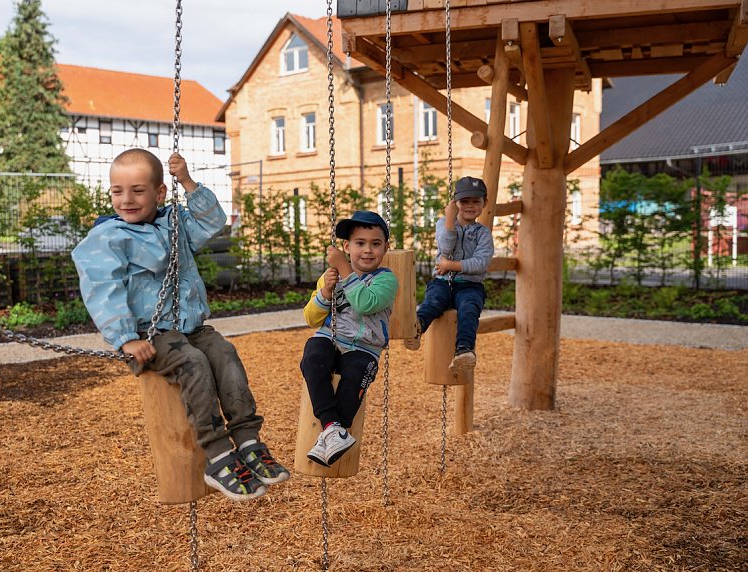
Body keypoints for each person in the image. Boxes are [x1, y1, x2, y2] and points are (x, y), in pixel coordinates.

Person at [71, 148, 289, 502]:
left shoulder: (175, 223)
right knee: (195, 364)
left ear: (159, 193)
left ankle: (249, 441)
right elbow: (102, 288)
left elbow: (212, 222)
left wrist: (187, 181)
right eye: (117, 191)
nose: (126, 199)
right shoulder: (107, 239)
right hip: (149, 334)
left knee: (225, 354)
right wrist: (125, 339)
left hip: (191, 326)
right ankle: (217, 455)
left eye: (138, 190)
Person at [300, 211, 398, 466]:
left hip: (365, 348)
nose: (367, 250)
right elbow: (310, 318)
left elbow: (366, 304)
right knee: (313, 355)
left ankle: (335, 430)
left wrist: (344, 268)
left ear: (385, 248)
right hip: (331, 338)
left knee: (356, 372)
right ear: (347, 246)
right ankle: (333, 428)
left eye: (375, 244)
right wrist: (325, 292)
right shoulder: (330, 276)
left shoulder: (386, 280)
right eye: (360, 243)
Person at [404, 176, 495, 379]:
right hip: (443, 282)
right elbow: (445, 248)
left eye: (476, 201)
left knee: (469, 310)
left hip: (470, 286)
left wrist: (450, 265)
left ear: (484, 203)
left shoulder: (483, 233)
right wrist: (450, 221)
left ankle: (464, 350)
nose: (470, 206)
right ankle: (417, 328)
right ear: (455, 203)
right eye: (465, 201)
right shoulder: (444, 224)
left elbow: (481, 263)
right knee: (433, 302)